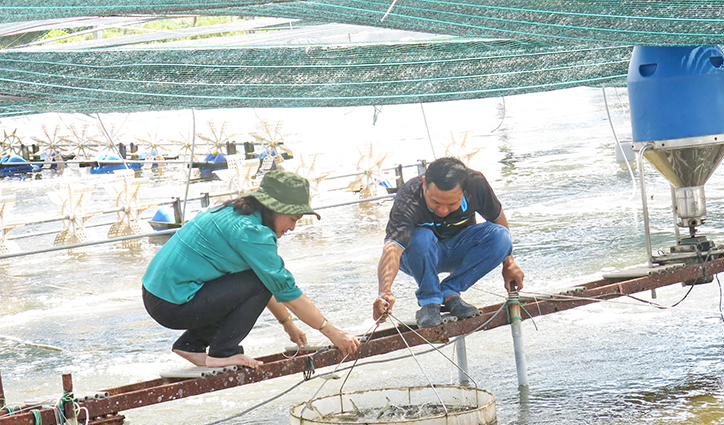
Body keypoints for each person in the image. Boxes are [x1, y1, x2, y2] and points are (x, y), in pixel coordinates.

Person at [142, 170, 360, 369]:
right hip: (173, 303)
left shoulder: (234, 213)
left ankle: (191, 344)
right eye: (293, 219)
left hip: (159, 296)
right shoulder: (251, 232)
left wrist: (288, 324)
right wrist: (334, 333)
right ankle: (222, 352)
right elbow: (287, 292)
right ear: (275, 209)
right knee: (259, 282)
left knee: (257, 280)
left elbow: (256, 283)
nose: (292, 227)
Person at [373, 157, 525, 328]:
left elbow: (498, 221)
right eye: (435, 202)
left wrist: (509, 263)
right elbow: (392, 248)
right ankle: (430, 300)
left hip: (459, 249)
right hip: (419, 255)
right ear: (424, 184)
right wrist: (384, 291)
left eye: (452, 203)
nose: (443, 210)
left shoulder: (476, 184)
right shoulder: (409, 196)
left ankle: (450, 291)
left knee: (501, 236)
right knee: (420, 236)